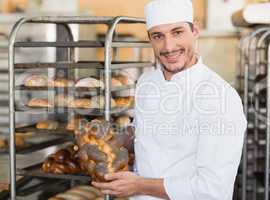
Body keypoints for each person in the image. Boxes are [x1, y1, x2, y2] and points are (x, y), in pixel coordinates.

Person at [92, 0, 247, 199]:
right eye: (158, 36)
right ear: (150, 39)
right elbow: (142, 131)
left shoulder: (220, 97)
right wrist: (113, 140)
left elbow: (211, 189)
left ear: (195, 31)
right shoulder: (148, 81)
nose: (169, 46)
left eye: (177, 32)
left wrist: (139, 185)